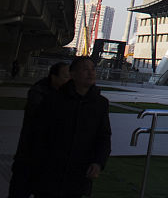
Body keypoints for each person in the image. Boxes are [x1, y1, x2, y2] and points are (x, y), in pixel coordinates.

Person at [28, 55, 111, 198]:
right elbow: (38, 134)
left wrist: (98, 162)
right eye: (85, 69)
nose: (91, 73)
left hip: (78, 173)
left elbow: (103, 136)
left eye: (93, 69)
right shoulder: (54, 100)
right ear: (72, 74)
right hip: (50, 172)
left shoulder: (100, 103)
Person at [8, 61, 71, 198]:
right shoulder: (39, 93)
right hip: (28, 159)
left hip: (50, 164)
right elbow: (42, 121)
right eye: (66, 76)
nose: (69, 80)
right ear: (54, 77)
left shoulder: (66, 96)